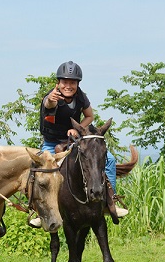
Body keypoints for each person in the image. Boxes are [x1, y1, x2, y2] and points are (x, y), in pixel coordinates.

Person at [31, 61, 127, 228]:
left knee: (110, 160)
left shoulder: (80, 96)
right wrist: (51, 100)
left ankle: (109, 201)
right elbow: (49, 104)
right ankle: (39, 211)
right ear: (58, 83)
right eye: (65, 82)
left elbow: (90, 115)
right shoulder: (52, 97)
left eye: (72, 82)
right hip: (51, 143)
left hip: (73, 141)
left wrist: (78, 129)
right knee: (39, 168)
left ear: (77, 84)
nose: (68, 86)